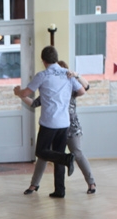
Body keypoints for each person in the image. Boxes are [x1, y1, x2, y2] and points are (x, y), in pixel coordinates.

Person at [15, 46, 85, 198]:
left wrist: (17, 92)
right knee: (57, 154)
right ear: (56, 58)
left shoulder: (42, 75)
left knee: (41, 151)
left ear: (43, 60)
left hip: (49, 122)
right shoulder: (67, 74)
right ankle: (60, 190)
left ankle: (67, 158)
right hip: (64, 123)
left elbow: (26, 93)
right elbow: (82, 91)